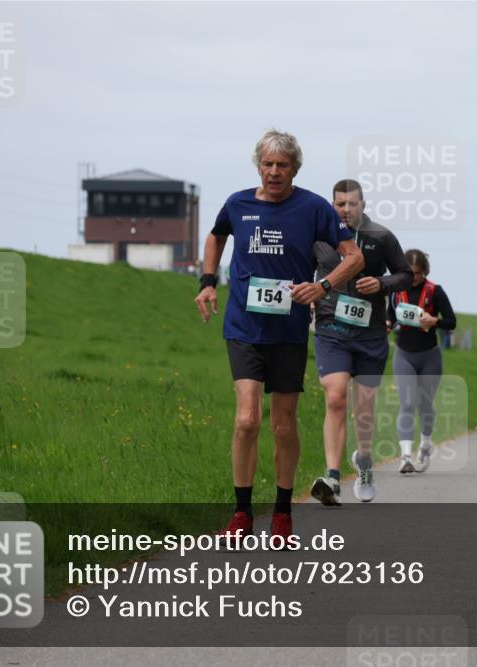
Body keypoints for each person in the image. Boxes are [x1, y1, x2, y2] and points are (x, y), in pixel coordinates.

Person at [194, 129, 363, 541]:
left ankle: (283, 514)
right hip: (244, 327)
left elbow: (354, 257)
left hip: (288, 332)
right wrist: (207, 280)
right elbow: (216, 235)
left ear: (294, 169)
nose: (273, 172)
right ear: (258, 166)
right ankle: (241, 515)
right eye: (267, 165)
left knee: (284, 426)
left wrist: (322, 287)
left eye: (282, 166)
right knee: (247, 418)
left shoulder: (313, 208)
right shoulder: (238, 203)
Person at [310, 179, 412, 506]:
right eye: (340, 204)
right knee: (336, 395)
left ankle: (364, 462)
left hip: (369, 335)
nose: (346, 209)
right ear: (332, 206)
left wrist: (381, 283)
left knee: (364, 408)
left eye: (352, 203)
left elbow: (405, 274)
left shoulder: (380, 237)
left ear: (363, 204)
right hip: (332, 330)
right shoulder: (320, 237)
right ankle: (332, 477)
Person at [387, 249, 457, 474]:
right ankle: (406, 456)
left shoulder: (435, 291)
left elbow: (451, 321)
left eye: (417, 273)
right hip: (404, 354)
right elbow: (390, 315)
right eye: (410, 273)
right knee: (407, 403)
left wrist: (434, 320)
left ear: (424, 271)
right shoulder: (396, 291)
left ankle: (426, 444)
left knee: (424, 405)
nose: (414, 277)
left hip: (429, 355)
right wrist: (387, 325)